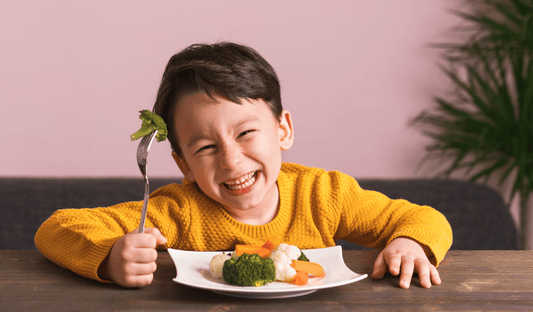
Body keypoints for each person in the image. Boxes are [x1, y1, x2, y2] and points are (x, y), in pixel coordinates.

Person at [35, 42, 453, 290]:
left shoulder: (324, 195)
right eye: (204, 148)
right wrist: (110, 258)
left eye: (246, 133)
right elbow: (55, 229)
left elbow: (423, 218)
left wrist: (412, 244)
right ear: (182, 163)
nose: (232, 160)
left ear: (283, 129)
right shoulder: (175, 212)